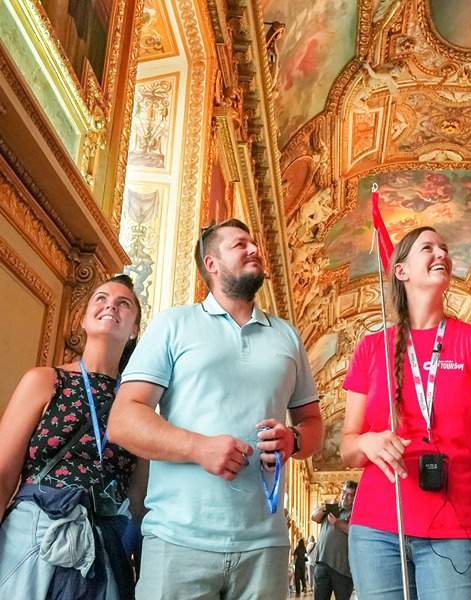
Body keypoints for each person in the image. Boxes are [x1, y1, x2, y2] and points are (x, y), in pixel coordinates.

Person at [107, 218, 324, 600]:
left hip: (264, 546)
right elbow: (123, 420)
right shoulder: (173, 325)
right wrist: (198, 448)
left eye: (254, 243)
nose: (254, 249)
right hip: (178, 539)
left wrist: (294, 439)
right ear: (211, 263)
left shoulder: (287, 336)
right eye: (240, 245)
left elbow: (313, 424)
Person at [341, 226, 471, 600]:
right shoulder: (371, 348)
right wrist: (369, 442)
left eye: (445, 248)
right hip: (377, 526)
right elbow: (348, 447)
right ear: (401, 271)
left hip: (455, 526)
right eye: (427, 248)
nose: (441, 254)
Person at [0, 274, 146, 599]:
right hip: (32, 537)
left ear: (135, 328)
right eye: (102, 299)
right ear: (83, 319)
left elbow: (138, 498)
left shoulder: (137, 404)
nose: (111, 306)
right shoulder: (44, 381)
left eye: (124, 304)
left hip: (105, 549)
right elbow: (2, 473)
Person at [311, 481, 357, 600]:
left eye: (349, 494)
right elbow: (314, 517)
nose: (344, 496)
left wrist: (336, 522)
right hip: (322, 563)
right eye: (343, 492)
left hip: (342, 568)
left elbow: (353, 531)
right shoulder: (332, 509)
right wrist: (323, 509)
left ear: (355, 497)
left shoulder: (356, 512)